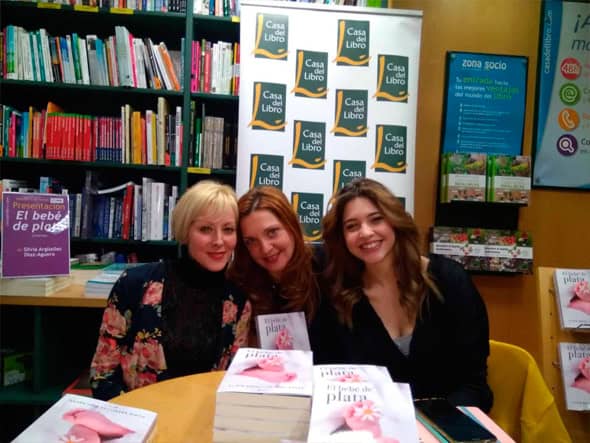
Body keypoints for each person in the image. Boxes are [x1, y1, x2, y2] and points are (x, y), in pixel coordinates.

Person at [320, 178, 493, 411]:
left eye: (376, 219)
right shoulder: (340, 298)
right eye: (352, 226)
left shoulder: (450, 281)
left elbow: (474, 386)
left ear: (395, 221)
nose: (366, 232)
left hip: (446, 427)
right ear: (342, 238)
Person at [89, 181, 251, 400]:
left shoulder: (239, 298)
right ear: (185, 231)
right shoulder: (134, 284)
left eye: (228, 230)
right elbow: (102, 374)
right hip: (139, 423)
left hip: (206, 423)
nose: (219, 241)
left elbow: (233, 381)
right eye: (205, 229)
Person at [228, 186, 321, 344]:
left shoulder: (325, 269)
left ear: (291, 226)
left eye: (272, 232)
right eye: (251, 241)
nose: (265, 248)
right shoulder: (240, 281)